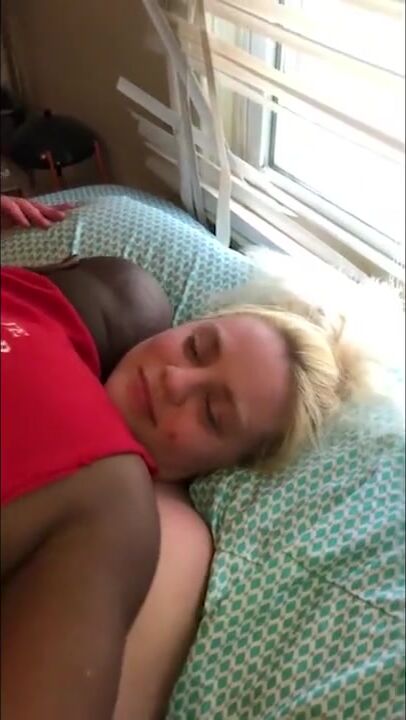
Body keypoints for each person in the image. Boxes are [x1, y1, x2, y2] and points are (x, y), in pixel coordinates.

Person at [1, 195, 379, 719]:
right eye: (196, 348)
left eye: (212, 414)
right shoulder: (95, 307)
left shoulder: (141, 517)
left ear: (222, 464)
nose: (176, 381)